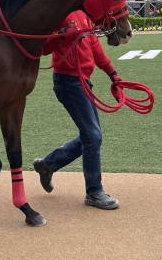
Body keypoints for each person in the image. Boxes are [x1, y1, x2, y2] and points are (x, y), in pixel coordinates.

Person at [33, 11, 121, 210]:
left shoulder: (82, 14)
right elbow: (41, 48)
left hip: (83, 82)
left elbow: (95, 48)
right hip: (68, 82)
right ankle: (94, 192)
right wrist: (61, 36)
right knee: (92, 135)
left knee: (91, 136)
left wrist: (113, 74)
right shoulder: (58, 12)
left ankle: (48, 165)